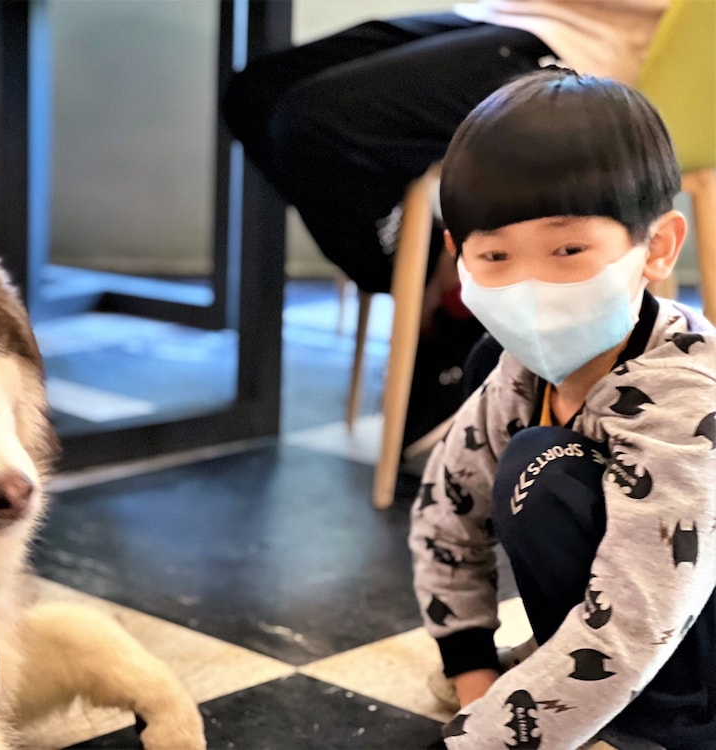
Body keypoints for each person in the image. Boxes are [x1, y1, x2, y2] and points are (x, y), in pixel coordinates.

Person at [409, 69, 715, 749]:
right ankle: (582, 694)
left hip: (687, 649)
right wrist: (474, 679)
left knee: (541, 467)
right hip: (632, 639)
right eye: (495, 255)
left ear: (658, 247)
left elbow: (641, 616)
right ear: (458, 256)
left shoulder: (687, 394)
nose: (529, 285)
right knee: (513, 422)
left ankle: (665, 726)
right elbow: (446, 516)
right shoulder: (515, 371)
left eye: (568, 249)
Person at [221, 0, 669, 446]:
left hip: (598, 42)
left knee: (317, 122)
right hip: (503, 14)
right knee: (256, 94)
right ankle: (445, 292)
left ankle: (446, 308)